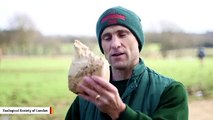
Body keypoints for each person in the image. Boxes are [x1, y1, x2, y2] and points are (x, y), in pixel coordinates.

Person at [65, 6, 188, 120]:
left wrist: (120, 112)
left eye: (122, 34)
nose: (115, 44)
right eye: (107, 38)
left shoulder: (170, 91)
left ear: (138, 40)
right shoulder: (87, 96)